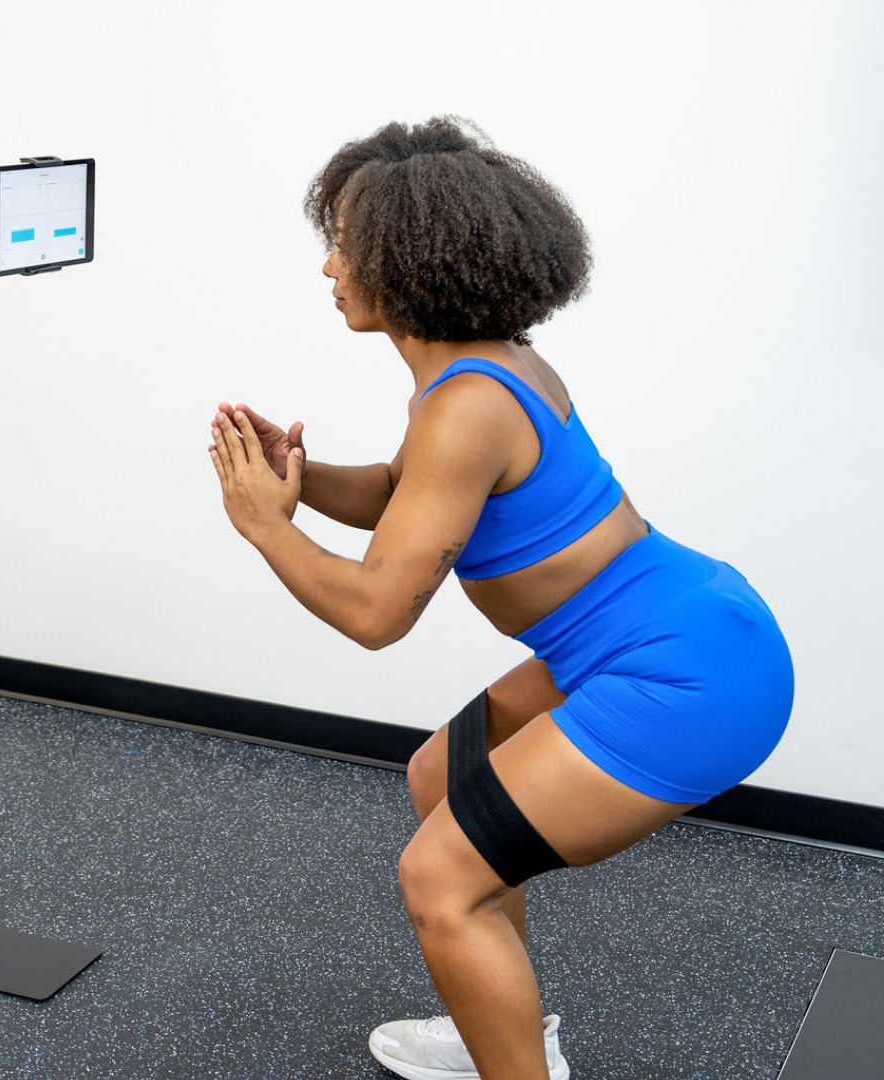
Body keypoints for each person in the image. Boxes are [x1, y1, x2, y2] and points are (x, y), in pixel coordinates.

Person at [206, 116, 795, 1080]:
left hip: (685, 674)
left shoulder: (465, 405)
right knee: (445, 776)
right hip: (677, 629)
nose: (329, 269)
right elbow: (407, 497)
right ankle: (506, 1039)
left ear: (408, 262)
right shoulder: (484, 369)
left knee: (438, 879)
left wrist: (266, 525)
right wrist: (299, 477)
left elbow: (374, 614)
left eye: (346, 248)